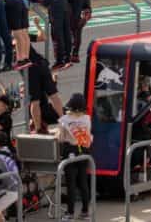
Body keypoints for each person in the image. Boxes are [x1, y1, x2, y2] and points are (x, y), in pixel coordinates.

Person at [57, 93, 92, 221]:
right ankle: (85, 212)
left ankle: (70, 213)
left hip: (70, 151)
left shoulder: (64, 120)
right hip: (84, 151)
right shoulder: (87, 119)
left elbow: (60, 138)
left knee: (71, 184)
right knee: (83, 182)